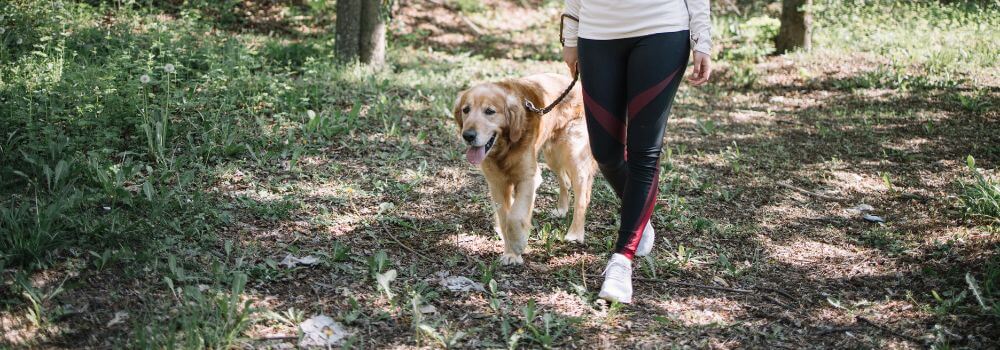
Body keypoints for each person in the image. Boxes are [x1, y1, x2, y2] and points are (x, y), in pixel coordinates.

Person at [560, 0, 712, 303]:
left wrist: (702, 39)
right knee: (605, 152)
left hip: (662, 27)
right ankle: (639, 216)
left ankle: (622, 261)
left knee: (645, 153)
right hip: (597, 31)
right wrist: (570, 36)